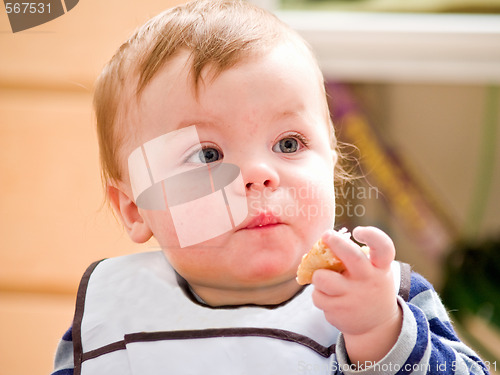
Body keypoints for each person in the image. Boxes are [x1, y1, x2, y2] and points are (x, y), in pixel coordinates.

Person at [51, 1, 490, 374]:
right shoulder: (112, 315)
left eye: (288, 143)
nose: (259, 174)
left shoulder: (384, 297)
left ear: (332, 168)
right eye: (207, 155)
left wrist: (381, 336)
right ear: (133, 207)